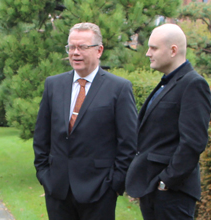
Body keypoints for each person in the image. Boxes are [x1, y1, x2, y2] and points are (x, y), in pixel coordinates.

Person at [33, 22, 138, 220]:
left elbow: (128, 142)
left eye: (82, 47)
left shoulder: (119, 88)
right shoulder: (53, 85)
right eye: (71, 47)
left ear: (99, 51)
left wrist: (114, 184)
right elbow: (41, 136)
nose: (75, 53)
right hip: (57, 190)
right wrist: (44, 175)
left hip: (99, 192)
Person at [125, 24, 211, 220]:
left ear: (173, 50)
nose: (148, 53)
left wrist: (166, 182)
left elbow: (193, 143)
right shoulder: (168, 83)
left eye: (153, 48)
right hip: (153, 190)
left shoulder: (193, 84)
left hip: (172, 194)